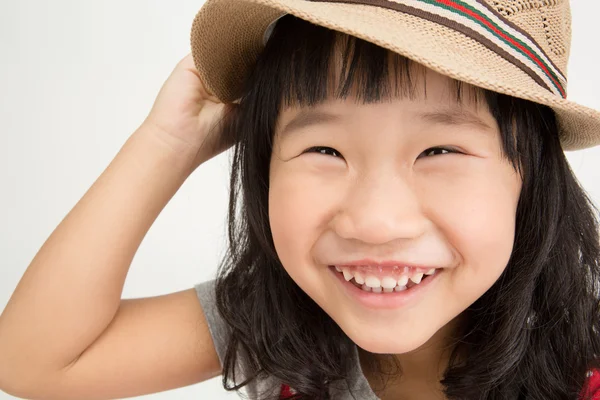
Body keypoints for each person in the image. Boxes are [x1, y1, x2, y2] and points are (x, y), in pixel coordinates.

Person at [1, 1, 600, 399]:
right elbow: (33, 361)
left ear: (532, 177)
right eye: (325, 151)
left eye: (439, 152)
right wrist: (167, 142)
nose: (374, 221)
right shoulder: (277, 320)